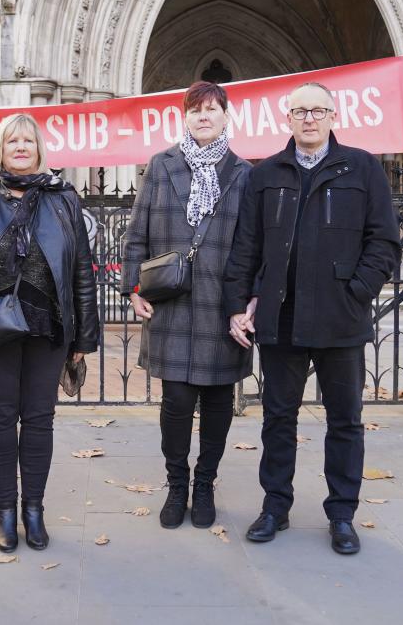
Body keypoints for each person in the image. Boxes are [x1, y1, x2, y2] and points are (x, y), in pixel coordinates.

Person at [223, 81, 400, 555]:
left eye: (318, 110)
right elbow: (247, 245)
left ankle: (342, 513)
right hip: (281, 318)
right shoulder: (266, 174)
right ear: (288, 120)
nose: (308, 118)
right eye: (299, 111)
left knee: (345, 420)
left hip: (340, 321)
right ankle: (275, 507)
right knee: (278, 417)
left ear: (333, 116)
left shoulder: (361, 167)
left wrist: (357, 292)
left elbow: (383, 241)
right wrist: (239, 304)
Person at [0, 113, 98, 553]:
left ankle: (33, 509)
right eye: (11, 140)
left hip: (47, 329)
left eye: (27, 140)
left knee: (38, 419)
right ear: (0, 149)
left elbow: (82, 271)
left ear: (38, 149)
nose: (20, 146)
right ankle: (5, 511)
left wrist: (83, 340)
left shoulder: (64, 199)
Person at [121, 81, 253, 530]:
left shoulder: (243, 172)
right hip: (171, 303)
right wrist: (134, 288)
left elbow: (252, 246)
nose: (204, 116)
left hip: (223, 305)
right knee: (176, 401)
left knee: (218, 401)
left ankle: (205, 484)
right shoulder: (162, 166)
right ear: (185, 116)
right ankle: (177, 485)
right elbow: (136, 233)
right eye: (196, 109)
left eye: (213, 109)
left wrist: (248, 303)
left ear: (225, 116)